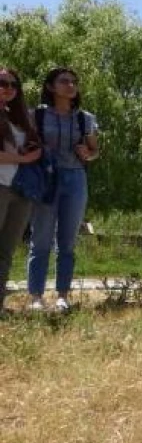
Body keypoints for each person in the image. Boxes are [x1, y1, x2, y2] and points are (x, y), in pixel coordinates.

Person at [27, 67, 100, 312]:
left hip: (75, 178)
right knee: (41, 240)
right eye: (64, 81)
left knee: (67, 242)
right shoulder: (35, 115)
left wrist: (87, 153)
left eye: (74, 82)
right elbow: (25, 144)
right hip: (45, 178)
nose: (70, 85)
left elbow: (94, 151)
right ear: (50, 86)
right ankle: (36, 296)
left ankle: (62, 295)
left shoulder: (84, 118)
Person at [0, 68, 41, 312]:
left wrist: (31, 151)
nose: (8, 88)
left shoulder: (18, 117)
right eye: (3, 82)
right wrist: (23, 159)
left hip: (20, 190)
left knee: (6, 250)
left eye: (14, 85)